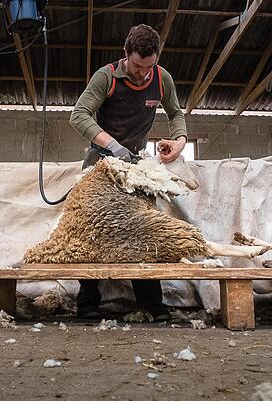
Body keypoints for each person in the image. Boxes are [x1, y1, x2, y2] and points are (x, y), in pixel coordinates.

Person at [69, 24, 188, 321]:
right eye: (137, 66)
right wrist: (112, 145)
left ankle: (152, 305)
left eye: (149, 66)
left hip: (137, 167)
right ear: (126, 55)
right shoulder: (106, 77)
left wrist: (180, 140)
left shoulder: (161, 79)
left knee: (143, 229)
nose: (142, 73)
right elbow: (78, 115)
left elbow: (175, 113)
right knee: (92, 230)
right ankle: (87, 304)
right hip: (102, 162)